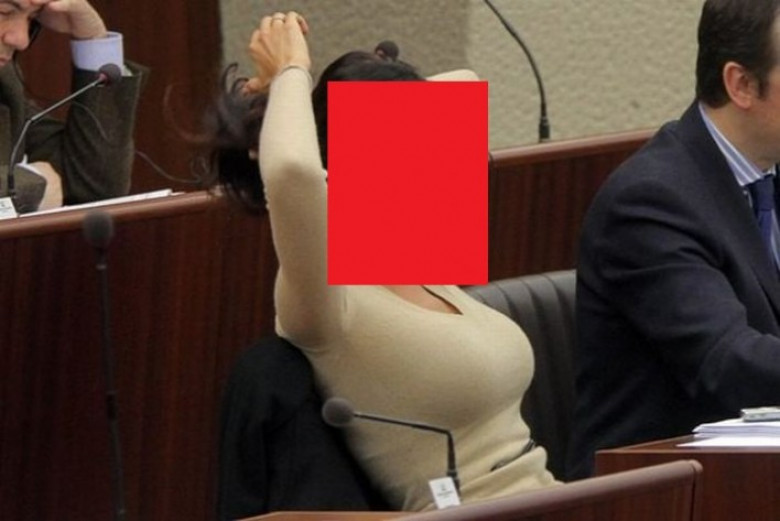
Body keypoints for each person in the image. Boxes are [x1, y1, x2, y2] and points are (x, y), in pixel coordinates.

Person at [203, 11, 557, 512]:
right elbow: (292, 171)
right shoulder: (327, 298)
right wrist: (289, 71)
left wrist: (298, 100)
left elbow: (465, 80)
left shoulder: (416, 254)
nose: (438, 153)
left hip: (556, 497)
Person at [567, 0, 780, 480]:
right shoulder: (651, 201)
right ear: (741, 85)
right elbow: (726, 363)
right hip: (656, 491)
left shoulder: (769, 170)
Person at [0, 0, 147, 213]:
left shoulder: (5, 87)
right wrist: (31, 187)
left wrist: (93, 39)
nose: (22, 40)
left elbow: (94, 185)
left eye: (32, 18)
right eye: (4, 12)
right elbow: (37, 185)